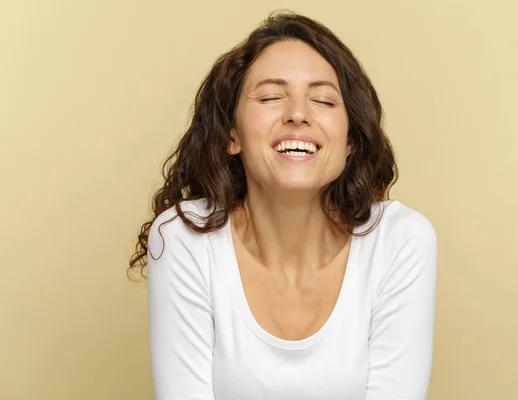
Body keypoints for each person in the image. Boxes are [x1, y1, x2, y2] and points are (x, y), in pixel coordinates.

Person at [128, 10, 438, 400]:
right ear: (231, 134)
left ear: (351, 140)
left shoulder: (400, 240)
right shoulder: (184, 238)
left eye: (323, 100)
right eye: (272, 97)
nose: (297, 114)